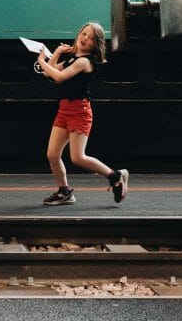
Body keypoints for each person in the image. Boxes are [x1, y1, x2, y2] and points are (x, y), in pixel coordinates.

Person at [36, 22, 129, 206]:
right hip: (65, 109)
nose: (85, 38)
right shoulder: (72, 58)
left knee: (77, 157)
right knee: (52, 154)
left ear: (96, 45)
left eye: (91, 38)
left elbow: (59, 77)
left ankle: (115, 175)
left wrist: (40, 61)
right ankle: (64, 192)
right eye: (84, 33)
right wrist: (57, 53)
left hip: (80, 111)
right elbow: (51, 72)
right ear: (79, 34)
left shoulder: (84, 62)